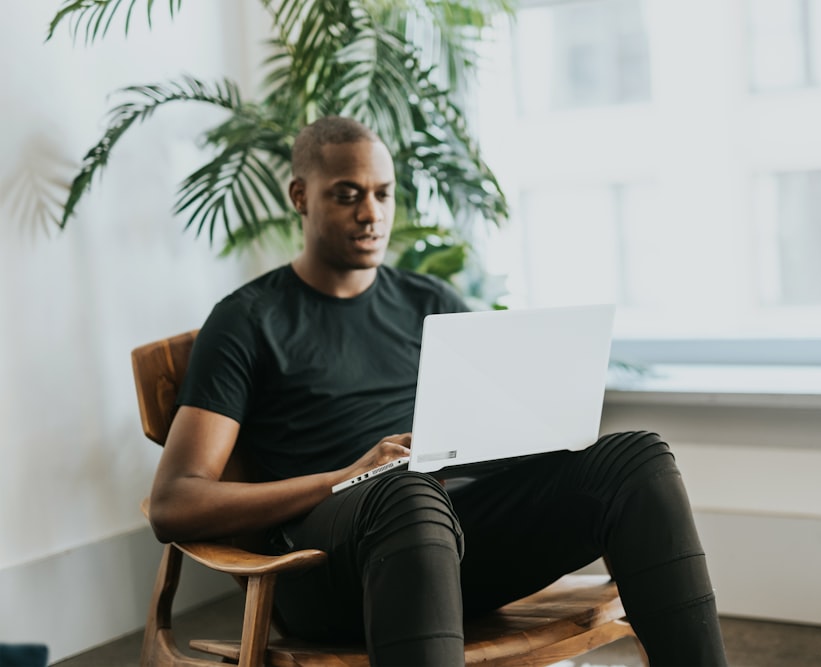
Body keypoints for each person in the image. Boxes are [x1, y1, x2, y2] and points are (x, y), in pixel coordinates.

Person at [149, 115, 729, 666]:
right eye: (348, 195)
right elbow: (176, 502)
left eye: (383, 193)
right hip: (326, 569)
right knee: (406, 488)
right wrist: (345, 476)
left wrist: (536, 432)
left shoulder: (429, 302)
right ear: (301, 196)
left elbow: (501, 421)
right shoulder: (248, 320)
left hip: (452, 543)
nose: (371, 213)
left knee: (637, 458)